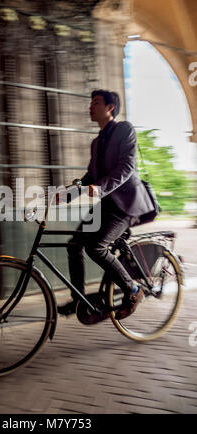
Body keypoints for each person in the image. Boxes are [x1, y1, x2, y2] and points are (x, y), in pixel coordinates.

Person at [57, 89, 155, 320]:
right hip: (107, 205)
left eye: (96, 102)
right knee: (74, 245)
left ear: (110, 108)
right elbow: (90, 175)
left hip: (127, 204)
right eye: (90, 102)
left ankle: (133, 290)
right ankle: (78, 299)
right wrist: (66, 194)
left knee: (96, 247)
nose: (90, 106)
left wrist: (100, 188)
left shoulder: (124, 130)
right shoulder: (96, 142)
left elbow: (126, 167)